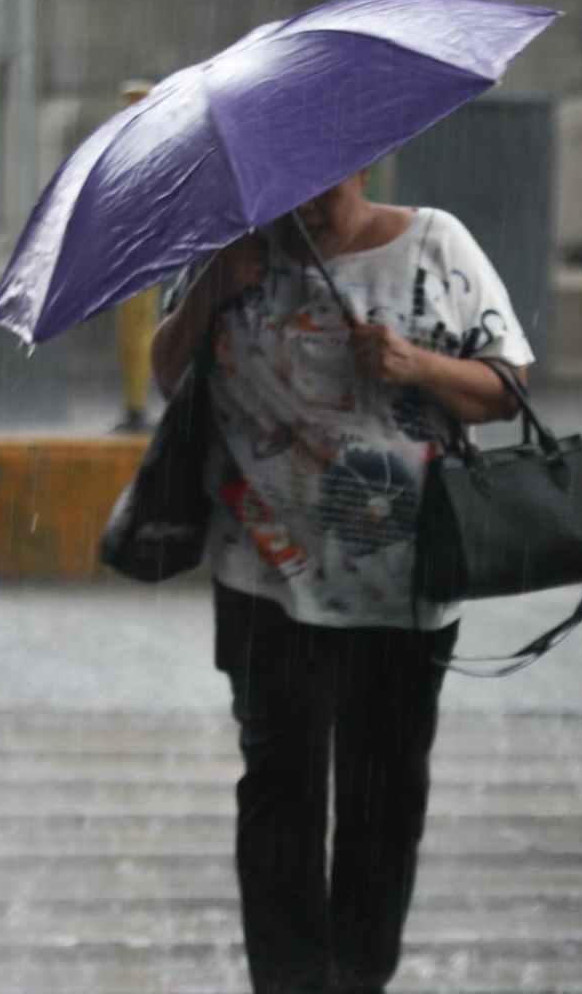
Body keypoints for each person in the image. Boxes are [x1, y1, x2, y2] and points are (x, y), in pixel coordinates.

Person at [150, 167, 534, 993]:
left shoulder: (434, 244)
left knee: (382, 803)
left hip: (403, 589)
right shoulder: (232, 254)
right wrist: (212, 288)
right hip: (263, 581)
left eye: (321, 186)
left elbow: (507, 389)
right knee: (278, 796)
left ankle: (359, 978)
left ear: (362, 162)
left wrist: (415, 365)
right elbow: (166, 374)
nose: (304, 206)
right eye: (285, 188)